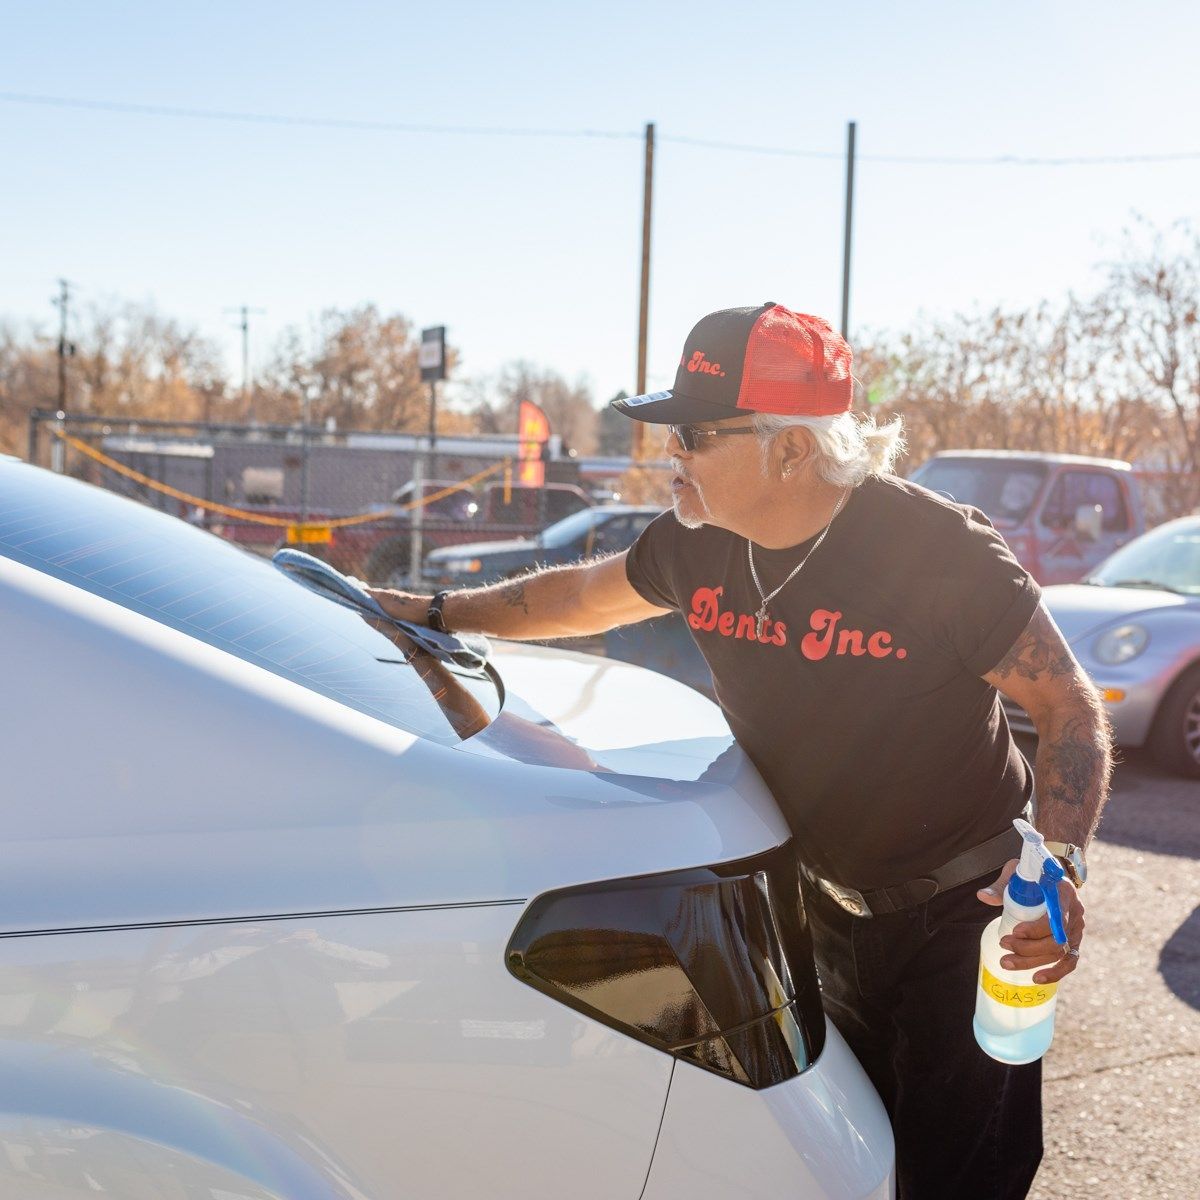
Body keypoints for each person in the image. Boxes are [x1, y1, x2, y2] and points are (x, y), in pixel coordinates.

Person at [369, 302, 1111, 1199]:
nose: (669, 456)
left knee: (957, 1178)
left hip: (964, 916)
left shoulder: (935, 550)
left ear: (790, 449)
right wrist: (436, 616)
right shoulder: (695, 542)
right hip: (809, 912)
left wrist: (1060, 859)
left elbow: (1067, 705)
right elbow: (576, 599)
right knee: (840, 1166)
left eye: (691, 434)